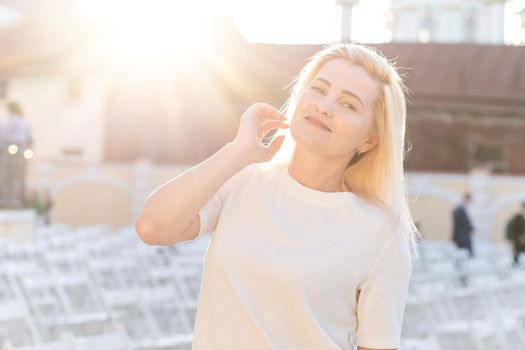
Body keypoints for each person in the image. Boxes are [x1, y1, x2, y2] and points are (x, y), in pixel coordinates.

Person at [135, 43, 419, 350]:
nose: (324, 106)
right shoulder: (243, 180)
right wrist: (238, 151)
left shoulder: (381, 233)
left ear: (369, 139)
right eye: (318, 90)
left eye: (348, 105)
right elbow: (152, 227)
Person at [452, 192, 475, 258]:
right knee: (464, 255)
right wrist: (471, 228)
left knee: (462, 255)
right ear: (466, 199)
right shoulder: (460, 209)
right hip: (462, 237)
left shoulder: (461, 209)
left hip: (461, 236)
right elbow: (464, 222)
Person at [507, 202, 525, 267]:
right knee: (517, 251)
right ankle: (515, 264)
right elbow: (513, 229)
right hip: (517, 238)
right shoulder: (518, 218)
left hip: (520, 238)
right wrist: (520, 237)